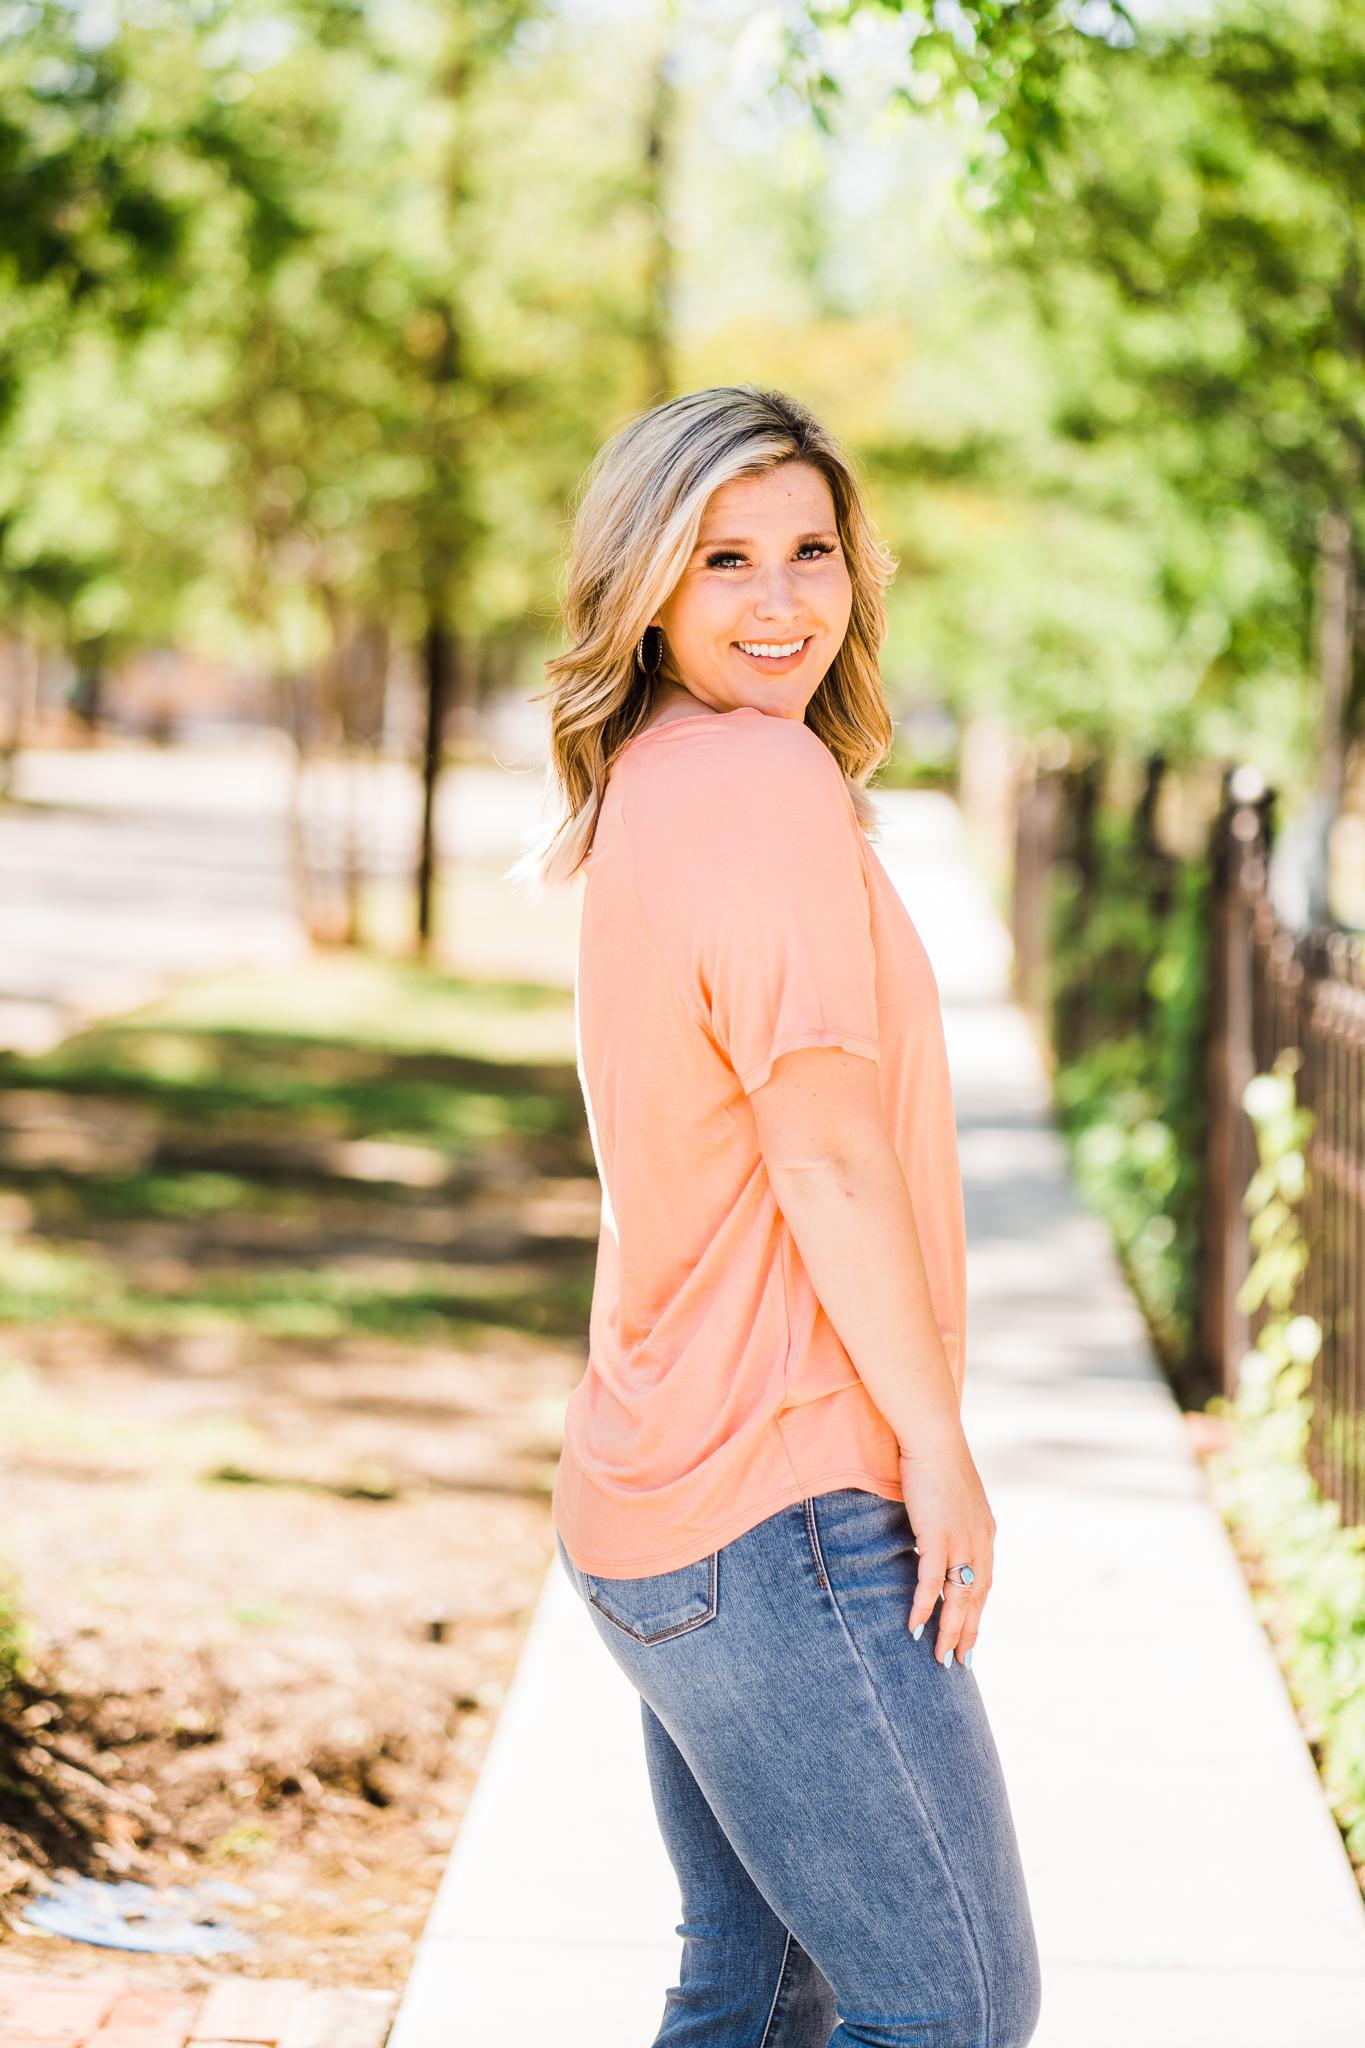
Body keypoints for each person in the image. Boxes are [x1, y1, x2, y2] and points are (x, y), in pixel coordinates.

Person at [509, 385, 1042, 2048]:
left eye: (810, 550)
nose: (780, 600)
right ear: (646, 588)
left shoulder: (662, 776)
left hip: (667, 1503)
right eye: (723, 559)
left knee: (753, 1995)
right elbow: (823, 1157)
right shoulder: (754, 775)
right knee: (951, 2010)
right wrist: (937, 1449)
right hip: (781, 1501)